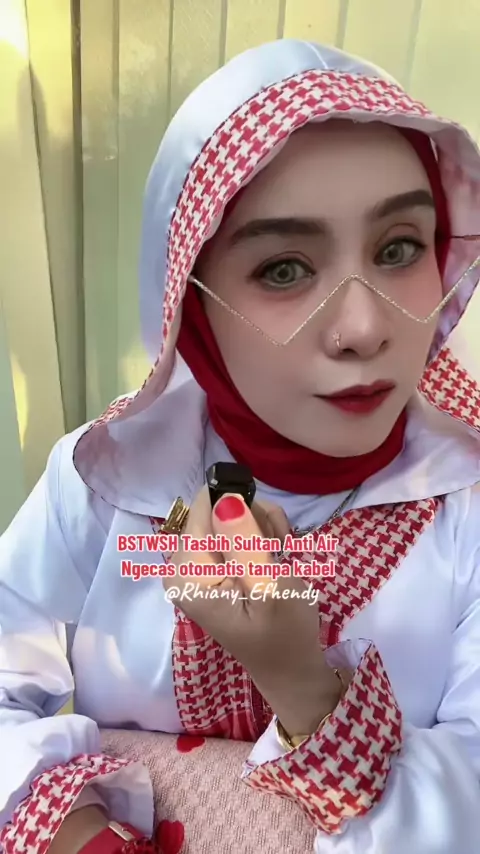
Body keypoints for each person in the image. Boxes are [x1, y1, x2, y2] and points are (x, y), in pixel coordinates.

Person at [1, 37, 480, 854]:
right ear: (190, 301)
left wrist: (304, 683)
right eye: (285, 268)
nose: (365, 329)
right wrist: (80, 835)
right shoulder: (102, 483)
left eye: (399, 249)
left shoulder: (464, 503)